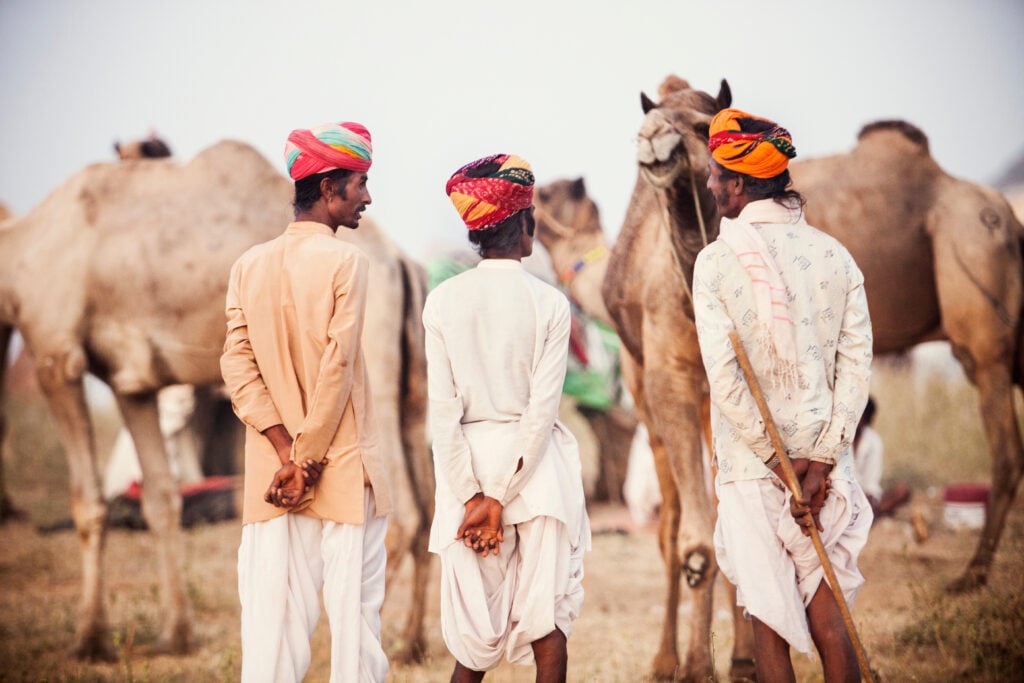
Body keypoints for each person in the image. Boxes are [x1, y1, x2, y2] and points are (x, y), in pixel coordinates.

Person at [693, 108, 874, 683]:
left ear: (739, 184)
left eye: (716, 174)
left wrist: (778, 465)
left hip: (753, 469)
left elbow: (723, 379)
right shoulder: (835, 256)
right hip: (826, 468)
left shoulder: (716, 262)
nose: (709, 184)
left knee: (766, 618)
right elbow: (856, 367)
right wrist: (819, 463)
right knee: (828, 606)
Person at [220, 121, 391, 683]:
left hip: (274, 477)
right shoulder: (348, 263)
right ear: (327, 188)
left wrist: (285, 452)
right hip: (338, 469)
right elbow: (337, 368)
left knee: (270, 631)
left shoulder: (249, 265)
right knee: (354, 632)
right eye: (360, 183)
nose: (367, 197)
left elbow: (236, 366)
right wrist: (310, 459)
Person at [425, 154, 591, 682]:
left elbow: (443, 414)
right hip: (538, 480)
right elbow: (541, 413)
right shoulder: (550, 303)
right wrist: (500, 495)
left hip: (464, 479)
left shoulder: (442, 301)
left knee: (472, 647)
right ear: (526, 225)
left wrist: (474, 497)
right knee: (548, 633)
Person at [854, 396, 911, 518]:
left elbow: (871, 483)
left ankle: (871, 513)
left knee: (903, 491)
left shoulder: (873, 441)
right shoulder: (837, 438)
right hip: (841, 495)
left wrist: (868, 497)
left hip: (863, 497)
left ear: (866, 420)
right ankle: (873, 513)